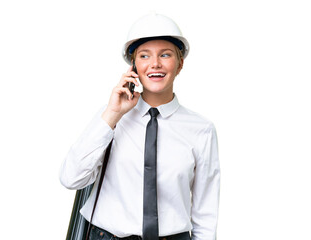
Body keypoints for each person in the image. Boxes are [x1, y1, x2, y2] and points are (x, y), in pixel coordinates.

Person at [60, 13, 220, 240]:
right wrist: (112, 114)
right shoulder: (111, 118)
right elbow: (71, 178)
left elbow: (206, 214)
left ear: (180, 64)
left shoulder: (201, 129)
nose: (155, 63)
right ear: (134, 66)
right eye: (144, 56)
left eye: (165, 55)